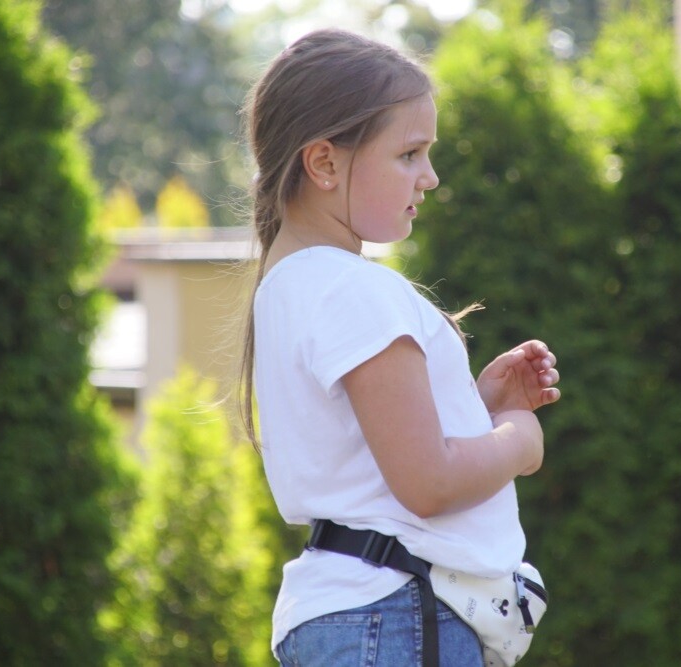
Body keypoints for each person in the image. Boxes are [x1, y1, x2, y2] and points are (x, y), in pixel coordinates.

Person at [237, 28, 561, 666]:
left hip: (356, 615)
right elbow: (428, 484)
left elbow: (370, 467)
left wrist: (472, 407)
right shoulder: (351, 287)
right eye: (409, 154)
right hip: (395, 613)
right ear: (324, 164)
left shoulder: (290, 284)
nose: (430, 178)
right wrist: (520, 438)